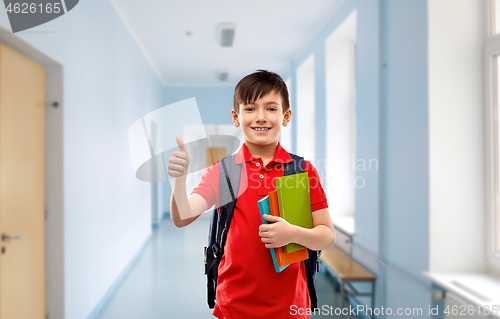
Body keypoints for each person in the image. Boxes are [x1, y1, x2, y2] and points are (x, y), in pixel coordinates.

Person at [167, 70, 336, 318]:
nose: (260, 117)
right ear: (236, 117)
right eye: (250, 108)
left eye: (271, 108)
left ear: (286, 116)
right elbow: (182, 216)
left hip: (290, 308)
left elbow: (327, 236)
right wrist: (179, 180)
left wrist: (293, 234)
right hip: (233, 306)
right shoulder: (224, 172)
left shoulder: (301, 171)